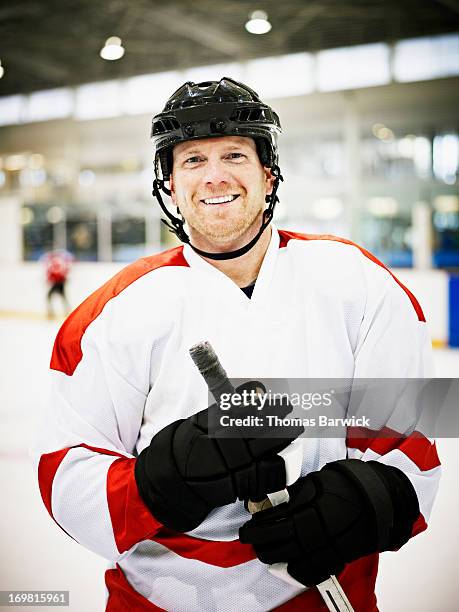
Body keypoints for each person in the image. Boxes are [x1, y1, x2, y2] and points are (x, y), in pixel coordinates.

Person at [33, 78, 440, 611]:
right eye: (193, 160)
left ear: (268, 174)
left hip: (323, 595)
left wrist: (368, 500)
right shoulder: (114, 312)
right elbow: (65, 471)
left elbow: (415, 436)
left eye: (234, 154)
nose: (215, 175)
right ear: (170, 184)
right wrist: (158, 484)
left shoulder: (357, 282)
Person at [42, 249, 73, 318]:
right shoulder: (59, 262)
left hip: (58, 283)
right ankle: (64, 312)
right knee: (62, 297)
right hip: (59, 282)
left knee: (51, 296)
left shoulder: (55, 263)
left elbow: (54, 273)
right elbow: (64, 272)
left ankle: (52, 313)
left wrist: (50, 279)